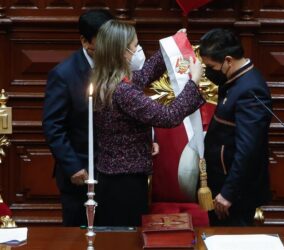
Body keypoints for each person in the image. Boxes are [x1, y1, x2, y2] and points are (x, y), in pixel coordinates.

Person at [91, 20, 205, 226]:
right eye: (136, 46)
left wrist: (173, 44)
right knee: (125, 239)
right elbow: (168, 116)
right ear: (124, 52)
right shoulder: (123, 90)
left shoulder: (106, 80)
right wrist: (193, 82)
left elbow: (145, 74)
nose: (137, 50)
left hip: (111, 176)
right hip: (125, 182)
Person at [42, 9, 114, 226]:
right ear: (85, 41)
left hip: (113, 173)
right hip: (80, 174)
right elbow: (53, 126)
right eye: (104, 41)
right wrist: (72, 166)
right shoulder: (64, 74)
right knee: (78, 237)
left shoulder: (117, 66)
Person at [199, 28, 272, 226]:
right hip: (222, 183)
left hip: (234, 195)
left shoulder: (250, 89)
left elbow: (248, 150)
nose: (208, 72)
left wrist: (228, 193)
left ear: (228, 60)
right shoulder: (236, 80)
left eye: (211, 66)